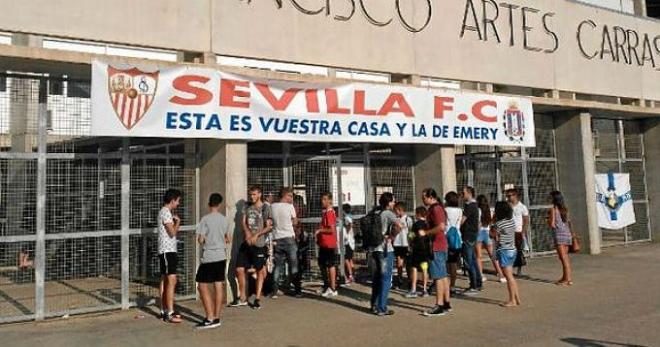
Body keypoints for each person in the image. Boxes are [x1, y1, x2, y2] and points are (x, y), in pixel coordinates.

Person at [232, 186, 273, 310]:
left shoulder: (266, 207)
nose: (252, 197)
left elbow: (269, 226)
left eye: (254, 194)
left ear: (259, 194)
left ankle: (257, 298)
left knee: (260, 270)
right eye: (251, 194)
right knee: (239, 268)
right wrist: (248, 233)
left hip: (259, 243)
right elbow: (243, 222)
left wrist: (257, 234)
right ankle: (243, 296)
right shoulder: (247, 206)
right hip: (247, 242)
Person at [195, 193, 231, 329]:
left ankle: (209, 317)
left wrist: (204, 239)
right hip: (221, 255)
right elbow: (228, 238)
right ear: (220, 204)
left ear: (209, 203)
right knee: (218, 284)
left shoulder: (205, 219)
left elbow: (201, 239)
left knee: (202, 285)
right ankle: (216, 317)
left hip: (209, 255)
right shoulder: (224, 220)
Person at [369, 192, 400, 316]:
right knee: (386, 278)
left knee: (377, 278)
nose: (394, 203)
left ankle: (374, 305)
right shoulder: (388, 213)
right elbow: (399, 225)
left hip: (374, 249)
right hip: (385, 249)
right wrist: (392, 236)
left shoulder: (375, 212)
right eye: (392, 201)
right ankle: (382, 307)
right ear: (388, 203)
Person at [421, 188, 450, 317]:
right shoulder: (436, 209)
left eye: (424, 197)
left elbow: (441, 226)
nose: (423, 200)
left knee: (438, 276)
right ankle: (446, 302)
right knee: (442, 275)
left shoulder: (436, 209)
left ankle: (439, 304)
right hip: (439, 244)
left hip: (437, 245)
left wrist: (426, 233)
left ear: (430, 197)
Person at [270, 187, 302, 298]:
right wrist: (293, 222)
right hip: (288, 237)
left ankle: (274, 290)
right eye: (290, 196)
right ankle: (297, 290)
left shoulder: (272, 206)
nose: (292, 198)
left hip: (277, 238)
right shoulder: (289, 207)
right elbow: (295, 221)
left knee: (278, 266)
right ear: (285, 195)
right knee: (293, 265)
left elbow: (270, 221)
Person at [158, 188, 183, 323]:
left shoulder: (164, 212)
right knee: (171, 280)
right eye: (178, 201)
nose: (178, 203)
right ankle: (170, 312)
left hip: (167, 250)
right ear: (172, 200)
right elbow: (172, 233)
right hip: (167, 251)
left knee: (165, 280)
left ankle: (164, 309)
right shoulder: (166, 213)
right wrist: (178, 222)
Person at [492, 201, 521, 307]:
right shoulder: (511, 221)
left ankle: (512, 300)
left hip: (504, 250)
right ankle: (517, 298)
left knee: (509, 277)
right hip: (512, 249)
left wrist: (494, 221)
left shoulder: (499, 223)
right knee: (511, 276)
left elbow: (493, 234)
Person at [475, 194, 506, 283]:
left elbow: (478, 224)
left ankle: (481, 275)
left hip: (479, 232)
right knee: (493, 255)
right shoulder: (489, 210)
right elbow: (491, 221)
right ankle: (500, 274)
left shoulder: (478, 210)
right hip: (487, 232)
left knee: (478, 256)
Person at [548, 191, 574, 286]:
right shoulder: (565, 209)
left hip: (559, 235)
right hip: (567, 234)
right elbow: (568, 222)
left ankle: (568, 279)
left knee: (563, 258)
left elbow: (552, 224)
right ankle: (565, 277)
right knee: (565, 257)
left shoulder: (553, 209)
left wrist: (548, 220)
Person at [316, 192, 339, 297]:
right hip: (324, 243)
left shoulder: (330, 212)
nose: (323, 201)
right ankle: (326, 285)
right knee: (322, 264)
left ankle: (333, 288)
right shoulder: (325, 212)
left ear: (330, 200)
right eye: (322, 199)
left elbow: (331, 229)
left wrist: (320, 230)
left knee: (330, 265)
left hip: (329, 244)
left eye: (325, 199)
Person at [460, 186, 482, 294]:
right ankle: (478, 283)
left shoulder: (470, 206)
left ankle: (474, 285)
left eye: (463, 193)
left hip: (469, 235)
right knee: (472, 259)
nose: (462, 195)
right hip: (471, 235)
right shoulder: (473, 205)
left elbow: (462, 220)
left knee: (469, 261)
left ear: (469, 193)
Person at [406, 206, 431, 298]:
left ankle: (413, 289)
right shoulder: (428, 224)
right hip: (426, 249)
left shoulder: (416, 224)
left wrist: (409, 242)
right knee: (425, 268)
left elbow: (411, 236)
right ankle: (424, 290)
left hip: (417, 249)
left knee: (415, 268)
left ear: (418, 214)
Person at [506, 188, 530, 276]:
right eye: (507, 196)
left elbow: (526, 220)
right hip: (508, 231)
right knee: (509, 251)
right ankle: (509, 268)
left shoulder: (522, 207)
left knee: (518, 251)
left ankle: (519, 269)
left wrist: (523, 232)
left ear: (515, 195)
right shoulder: (507, 206)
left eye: (509, 196)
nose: (508, 198)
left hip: (518, 231)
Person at [444, 191, 463, 295]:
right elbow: (459, 223)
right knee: (454, 264)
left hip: (446, 238)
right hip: (457, 238)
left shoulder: (445, 210)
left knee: (444, 263)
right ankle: (453, 285)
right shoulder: (460, 210)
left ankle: (444, 284)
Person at [393, 201, 413, 290]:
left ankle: (410, 279)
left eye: (396, 210)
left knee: (408, 263)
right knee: (399, 261)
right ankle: (399, 279)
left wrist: (411, 243)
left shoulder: (408, 219)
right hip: (397, 243)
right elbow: (394, 231)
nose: (395, 212)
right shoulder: (396, 219)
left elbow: (411, 231)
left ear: (400, 210)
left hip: (406, 243)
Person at [341, 203, 355, 285]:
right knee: (350, 259)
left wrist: (346, 232)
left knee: (346, 259)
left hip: (348, 241)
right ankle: (352, 274)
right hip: (351, 240)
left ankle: (350, 275)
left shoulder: (346, 217)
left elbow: (350, 224)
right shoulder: (350, 216)